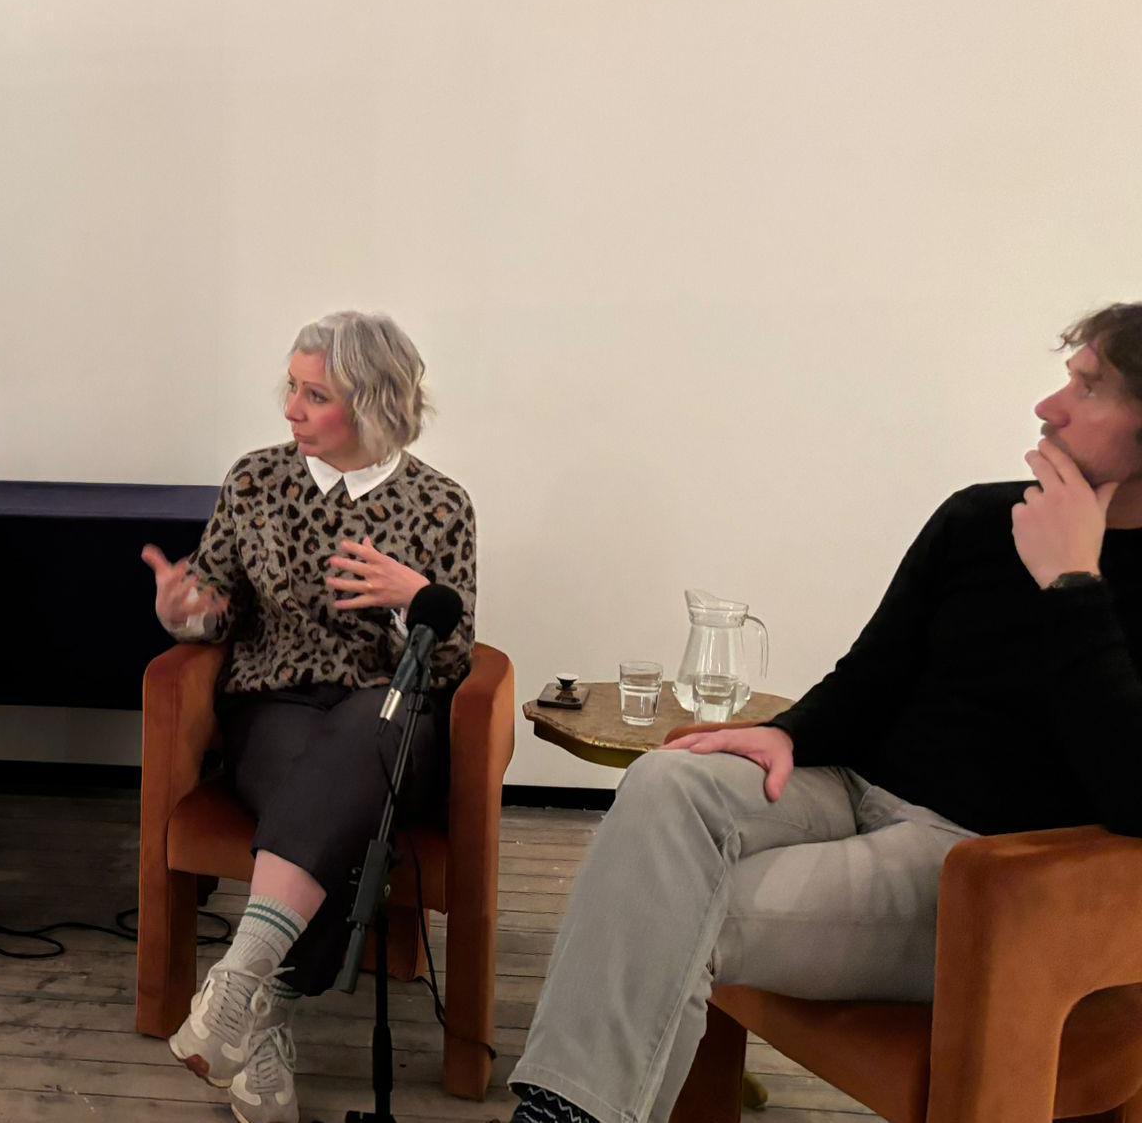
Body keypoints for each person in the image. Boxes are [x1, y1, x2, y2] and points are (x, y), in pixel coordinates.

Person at [505, 302, 1142, 1123]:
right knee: (668, 779)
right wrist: (788, 733)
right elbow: (871, 677)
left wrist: (1071, 584)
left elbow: (1133, 792)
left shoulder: (1078, 575)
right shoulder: (981, 517)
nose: (1049, 405)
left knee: (668, 912)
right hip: (851, 788)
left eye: (1089, 386)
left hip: (985, 878)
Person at [141, 310, 477, 1123]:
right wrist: (182, 611)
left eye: (314, 394)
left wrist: (408, 601)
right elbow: (215, 609)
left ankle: (240, 983)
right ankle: (256, 1009)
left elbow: (454, 659)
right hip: (275, 708)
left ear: (374, 404)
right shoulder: (255, 480)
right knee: (332, 796)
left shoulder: (440, 505)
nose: (290, 408)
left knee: (370, 733)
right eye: (290, 386)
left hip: (390, 712)